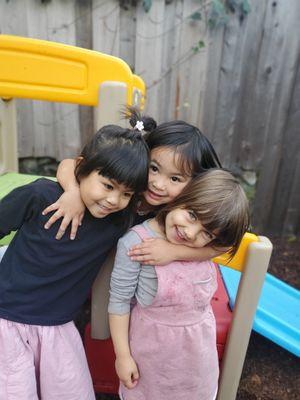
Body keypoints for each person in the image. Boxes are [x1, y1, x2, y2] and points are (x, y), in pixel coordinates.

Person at [0, 114, 152, 400]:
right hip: (6, 319)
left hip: (58, 327)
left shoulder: (118, 220)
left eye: (126, 193)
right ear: (83, 168)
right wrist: (70, 189)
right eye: (108, 186)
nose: (113, 200)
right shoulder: (41, 197)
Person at [108, 169, 250, 400]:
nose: (191, 233)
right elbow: (119, 301)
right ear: (182, 198)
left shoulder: (205, 247)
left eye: (206, 233)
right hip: (152, 358)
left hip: (198, 359)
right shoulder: (136, 243)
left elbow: (226, 244)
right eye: (192, 215)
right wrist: (122, 356)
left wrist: (175, 252)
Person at [42, 110, 224, 263]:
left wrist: (174, 252)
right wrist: (73, 191)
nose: (158, 184)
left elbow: (224, 245)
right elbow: (69, 164)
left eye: (175, 179)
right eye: (153, 168)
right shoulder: (120, 188)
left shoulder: (180, 214)